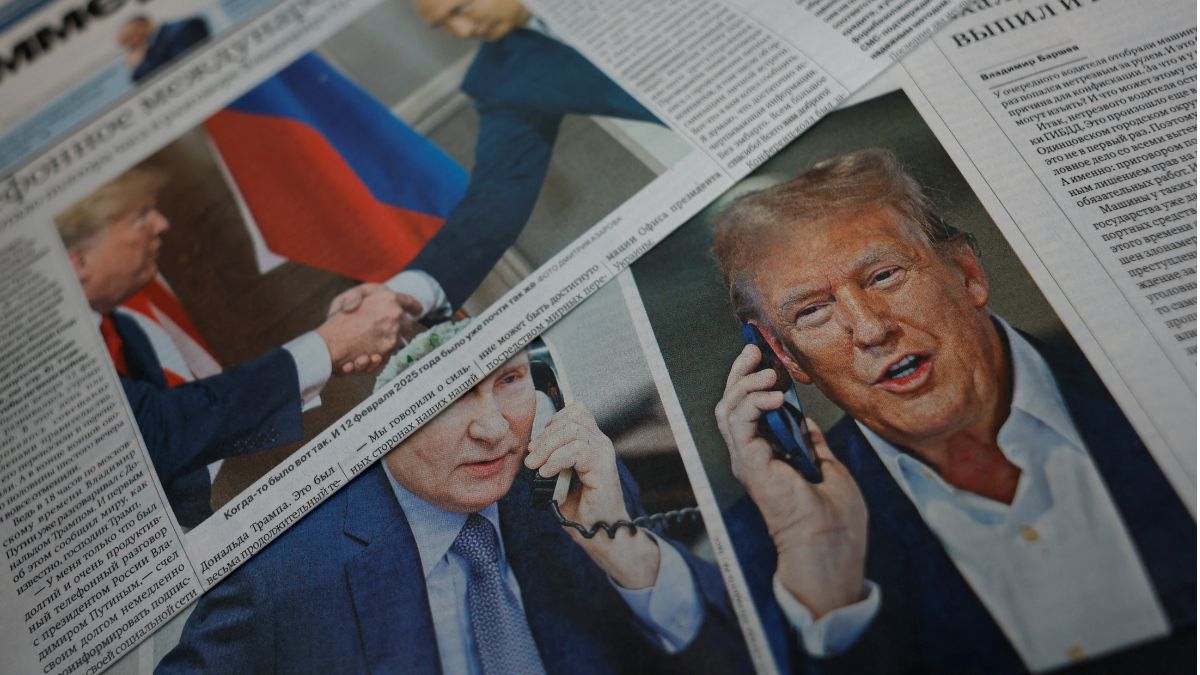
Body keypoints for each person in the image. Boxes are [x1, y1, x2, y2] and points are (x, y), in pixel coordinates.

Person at [711, 149, 1195, 673]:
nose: (871, 330)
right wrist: (829, 580)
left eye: (883, 276)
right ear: (785, 357)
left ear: (967, 274)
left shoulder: (1166, 371)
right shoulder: (763, 548)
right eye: (812, 311)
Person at [158, 332, 750, 673]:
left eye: (509, 381)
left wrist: (624, 549)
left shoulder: (575, 486)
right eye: (448, 398)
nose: (495, 430)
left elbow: (734, 655)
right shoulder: (279, 572)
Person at [55, 168, 416, 527]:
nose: (162, 224)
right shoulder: (57, 363)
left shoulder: (124, 329)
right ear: (78, 262)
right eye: (139, 218)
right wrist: (330, 345)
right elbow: (160, 432)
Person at [405, 0, 661, 309]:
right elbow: (497, 197)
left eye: (461, 9)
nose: (462, 30)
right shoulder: (498, 77)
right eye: (442, 24)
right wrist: (406, 293)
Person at [117, 15, 211, 83]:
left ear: (142, 27)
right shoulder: (152, 51)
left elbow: (179, 69)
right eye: (124, 44)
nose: (129, 46)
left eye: (127, 39)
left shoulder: (183, 29)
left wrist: (139, 67)